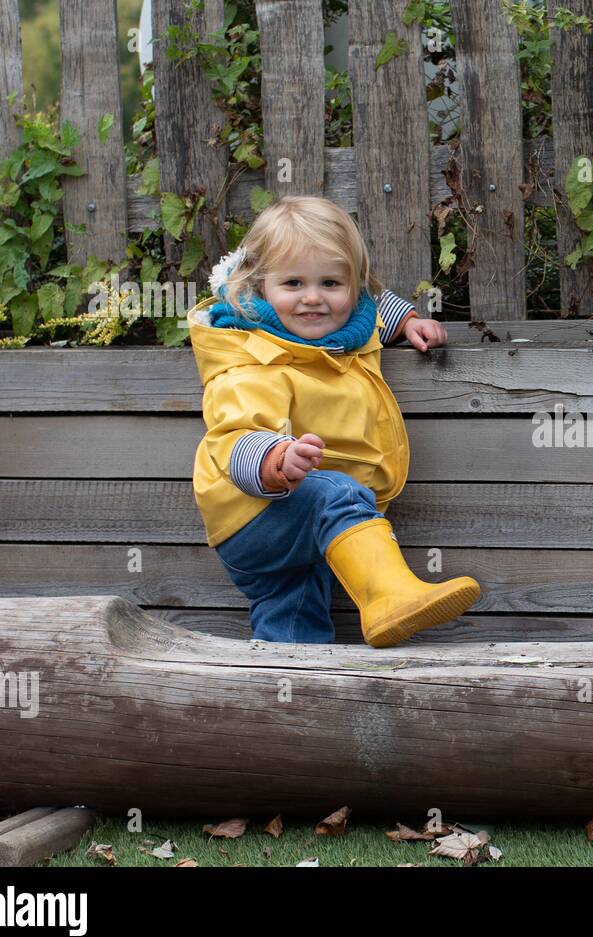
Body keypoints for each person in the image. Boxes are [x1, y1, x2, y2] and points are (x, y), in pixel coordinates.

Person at [187, 195, 480, 647]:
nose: (312, 298)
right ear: (258, 286)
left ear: (353, 285)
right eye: (292, 283)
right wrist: (276, 458)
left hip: (295, 536)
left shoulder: (345, 334)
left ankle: (288, 694)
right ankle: (389, 595)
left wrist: (407, 321)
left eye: (330, 282)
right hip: (254, 514)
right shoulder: (253, 359)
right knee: (336, 491)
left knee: (293, 610)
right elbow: (233, 438)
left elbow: (371, 311)